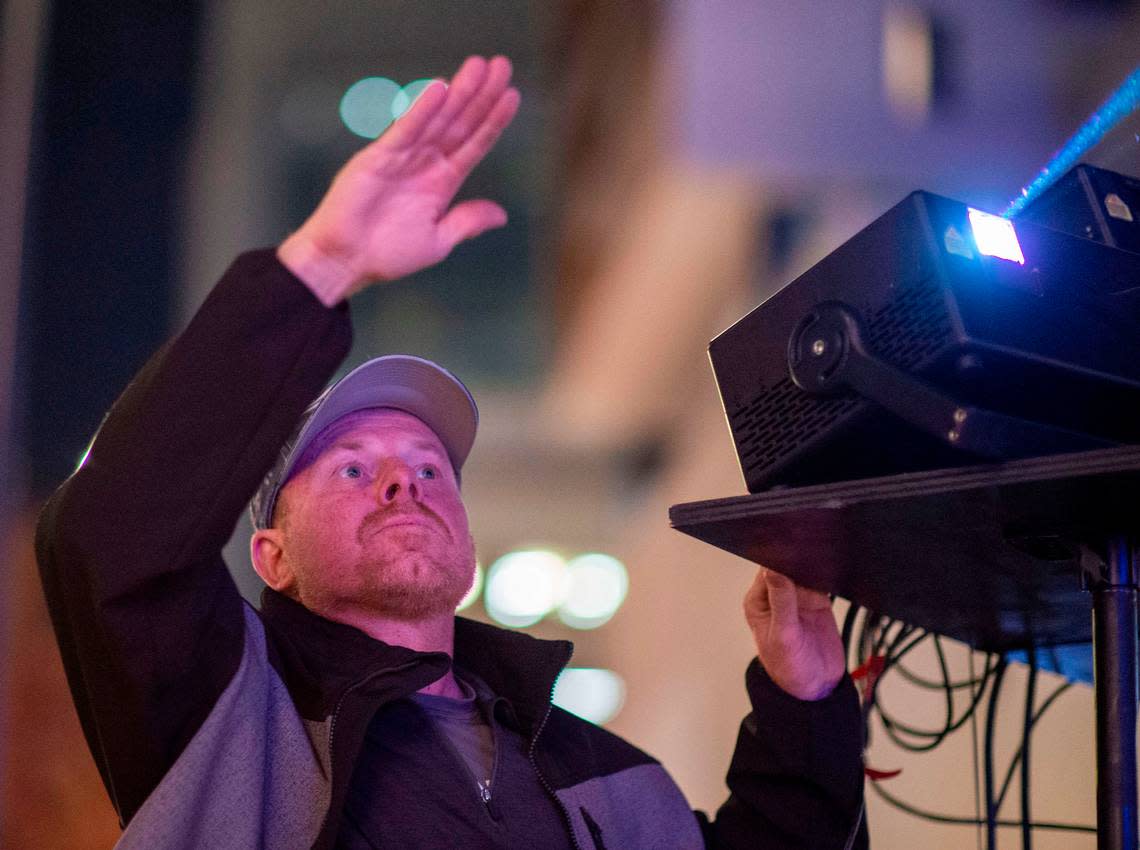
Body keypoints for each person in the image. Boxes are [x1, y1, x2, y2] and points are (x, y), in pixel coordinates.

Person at [36, 55, 868, 849]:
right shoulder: (230, 722)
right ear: (271, 556)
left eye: (431, 468)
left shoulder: (597, 771)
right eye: (354, 468)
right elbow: (110, 535)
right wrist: (322, 264)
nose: (405, 480)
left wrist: (804, 701)